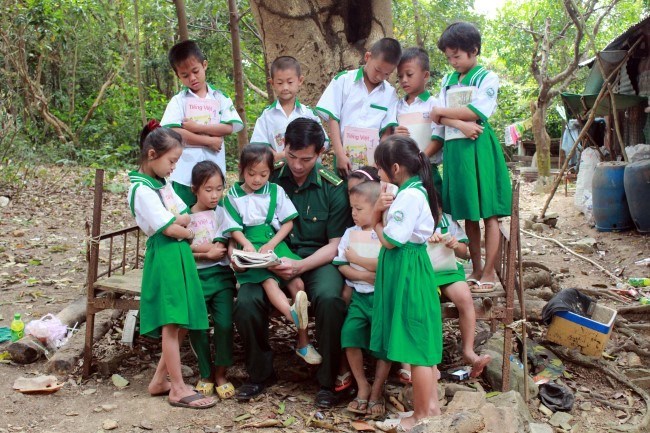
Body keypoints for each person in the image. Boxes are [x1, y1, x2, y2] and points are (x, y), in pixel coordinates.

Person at [233, 118, 352, 408]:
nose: (298, 166)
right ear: (284, 147)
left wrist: (299, 266)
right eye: (293, 157)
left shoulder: (333, 186)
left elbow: (336, 245)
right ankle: (260, 374)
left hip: (317, 261)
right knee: (247, 300)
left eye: (307, 159)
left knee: (329, 298)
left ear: (321, 152)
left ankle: (326, 381)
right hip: (268, 260)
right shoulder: (266, 177)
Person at [127, 123, 215, 409]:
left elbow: (184, 214)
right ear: (152, 154)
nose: (174, 167)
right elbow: (170, 227)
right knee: (172, 321)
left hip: (179, 255)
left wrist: (179, 224)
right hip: (165, 255)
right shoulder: (141, 189)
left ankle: (159, 380)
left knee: (183, 321)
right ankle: (177, 388)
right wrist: (183, 229)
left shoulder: (161, 184)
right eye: (172, 160)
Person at [430, 22, 512, 291]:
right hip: (456, 150)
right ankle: (475, 268)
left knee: (488, 213)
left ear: (473, 50)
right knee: (468, 215)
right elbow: (439, 118)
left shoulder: (487, 77)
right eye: (449, 57)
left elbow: (478, 112)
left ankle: (489, 271)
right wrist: (460, 124)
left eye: (457, 56)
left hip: (479, 149)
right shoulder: (447, 80)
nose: (453, 62)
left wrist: (445, 113)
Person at [223, 144, 322, 365]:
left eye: (263, 174)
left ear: (271, 172)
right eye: (251, 174)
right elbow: (233, 228)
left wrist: (272, 243)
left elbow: (288, 222)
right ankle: (291, 315)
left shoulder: (275, 191)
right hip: (248, 247)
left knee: (297, 285)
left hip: (273, 244)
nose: (257, 179)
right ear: (241, 170)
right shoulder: (232, 195)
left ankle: (303, 343)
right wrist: (246, 245)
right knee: (268, 280)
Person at [370, 136, 442, 431]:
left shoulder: (409, 197)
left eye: (380, 168)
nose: (378, 174)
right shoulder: (411, 192)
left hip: (408, 269)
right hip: (408, 267)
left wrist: (375, 216)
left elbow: (390, 241)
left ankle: (423, 415)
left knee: (416, 347)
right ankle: (431, 407)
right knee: (417, 342)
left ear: (396, 168)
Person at [161, 40, 244, 207]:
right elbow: (174, 132)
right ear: (178, 76)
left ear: (204, 65)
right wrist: (209, 141)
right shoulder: (178, 101)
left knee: (212, 220)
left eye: (195, 71)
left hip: (213, 177)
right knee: (184, 217)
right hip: (184, 175)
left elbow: (228, 127)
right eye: (185, 75)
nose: (192, 78)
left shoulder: (220, 97)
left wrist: (197, 128)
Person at [334, 181, 390, 418]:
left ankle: (377, 390)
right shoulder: (350, 233)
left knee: (384, 344)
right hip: (358, 297)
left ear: (376, 208)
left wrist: (359, 260)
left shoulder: (385, 233)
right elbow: (342, 265)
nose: (354, 214)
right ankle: (362, 385)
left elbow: (387, 264)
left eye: (359, 209)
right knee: (349, 335)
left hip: (381, 298)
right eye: (352, 209)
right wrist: (365, 275)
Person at [185, 161, 237, 399]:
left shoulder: (223, 212)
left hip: (222, 276)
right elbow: (183, 249)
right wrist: (205, 253)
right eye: (208, 189)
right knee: (198, 326)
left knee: (225, 324)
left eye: (219, 188)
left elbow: (226, 241)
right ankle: (205, 373)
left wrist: (219, 249)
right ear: (195, 188)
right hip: (195, 278)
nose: (215, 195)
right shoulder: (185, 217)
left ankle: (221, 373)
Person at [316, 38, 401, 177]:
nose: (380, 76)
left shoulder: (390, 94)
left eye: (387, 74)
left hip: (373, 162)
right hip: (344, 156)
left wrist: (379, 160)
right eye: (377, 70)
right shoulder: (344, 80)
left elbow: (386, 132)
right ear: (367, 57)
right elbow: (333, 119)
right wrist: (339, 153)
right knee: (342, 194)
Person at [250, 56, 329, 161]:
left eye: (290, 82)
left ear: (300, 81)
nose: (285, 87)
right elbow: (257, 146)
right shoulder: (267, 115)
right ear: (272, 83)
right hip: (278, 173)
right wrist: (278, 156)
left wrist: (292, 154)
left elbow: (324, 143)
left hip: (307, 172)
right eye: (280, 83)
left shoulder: (308, 114)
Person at [394, 47, 444, 194]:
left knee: (434, 208)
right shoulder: (397, 106)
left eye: (409, 75)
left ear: (426, 75)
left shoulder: (434, 105)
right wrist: (395, 134)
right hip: (402, 171)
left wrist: (420, 159)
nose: (404, 80)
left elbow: (438, 138)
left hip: (427, 169)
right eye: (400, 76)